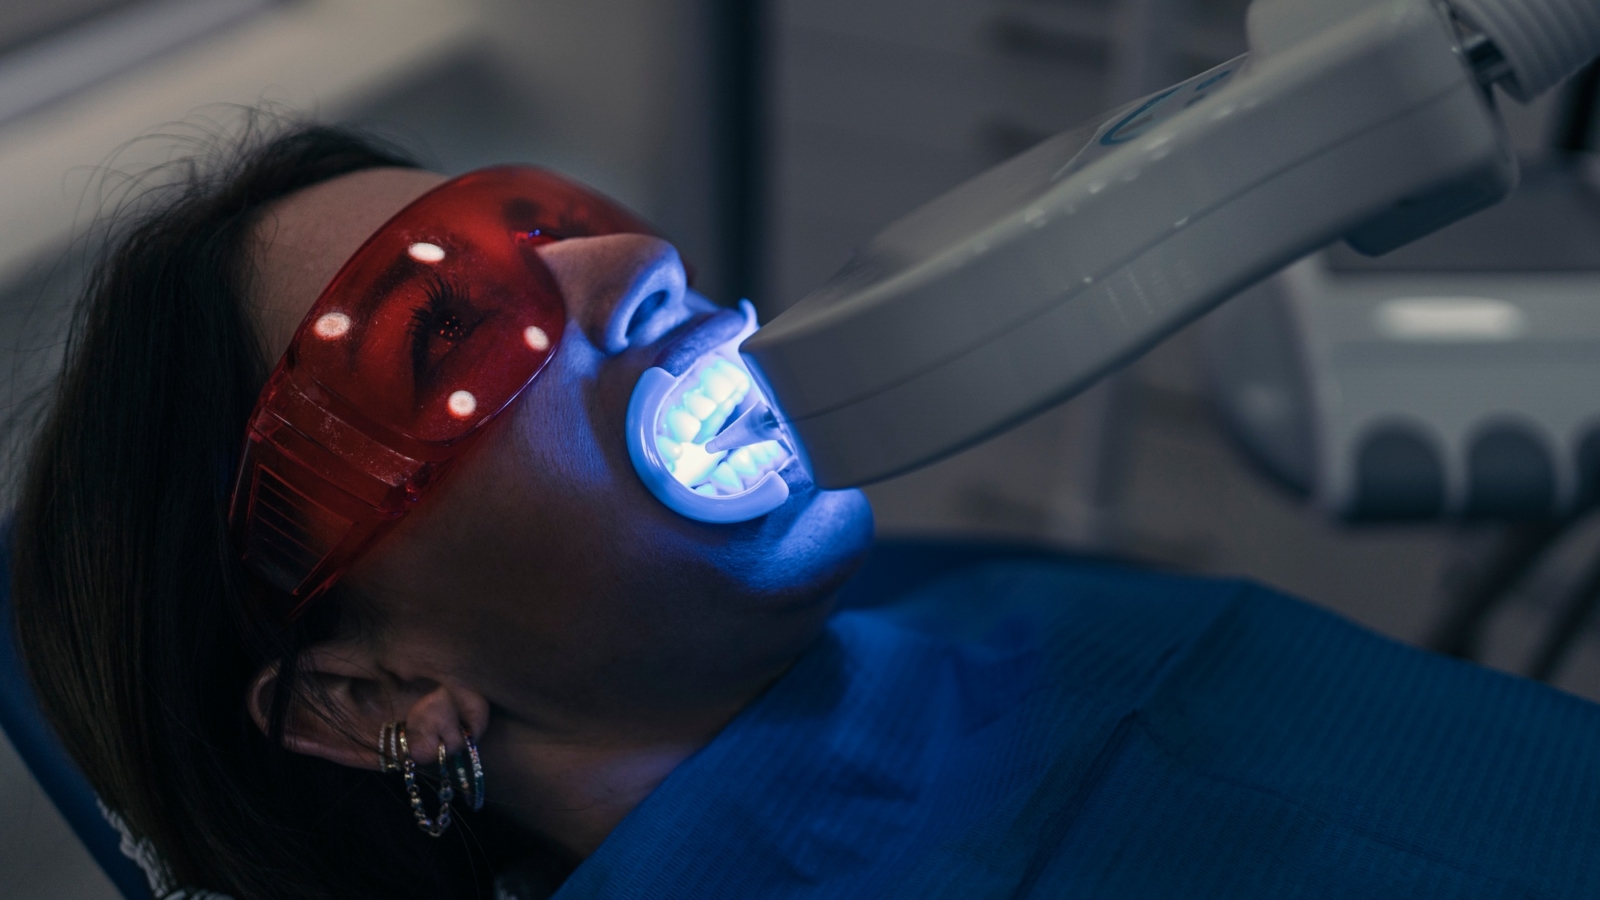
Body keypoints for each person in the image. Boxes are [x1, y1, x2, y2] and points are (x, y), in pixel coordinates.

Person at [8, 121, 1600, 900]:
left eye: (554, 227)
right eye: (455, 339)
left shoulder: (1003, 613)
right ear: (378, 700)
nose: (642, 271)